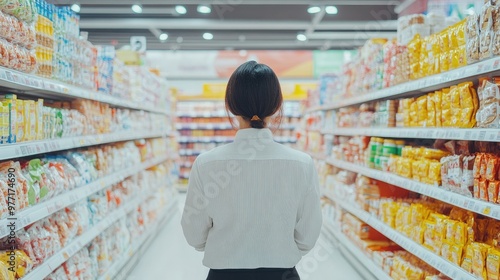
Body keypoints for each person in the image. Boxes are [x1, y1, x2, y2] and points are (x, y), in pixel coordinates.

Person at [181, 60, 322, 280]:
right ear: (277, 106)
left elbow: (194, 233)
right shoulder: (302, 164)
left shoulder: (206, 164)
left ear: (229, 105)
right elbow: (308, 236)